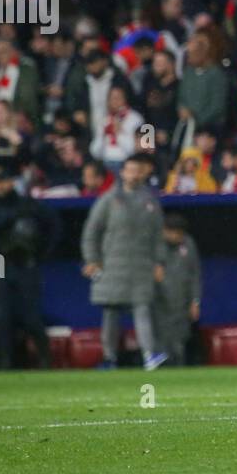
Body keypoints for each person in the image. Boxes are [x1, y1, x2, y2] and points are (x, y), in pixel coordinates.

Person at [81, 153, 168, 370]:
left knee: (142, 309)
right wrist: (92, 259)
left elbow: (158, 236)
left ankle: (149, 355)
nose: (133, 174)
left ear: (143, 173)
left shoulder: (150, 202)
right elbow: (91, 232)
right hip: (112, 265)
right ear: (122, 172)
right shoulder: (108, 200)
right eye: (130, 169)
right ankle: (110, 358)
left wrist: (159, 262)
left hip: (140, 266)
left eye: (138, 170)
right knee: (111, 312)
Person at [0, 166, 59, 369]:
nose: (0, 186)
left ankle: (45, 359)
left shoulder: (29, 205)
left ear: (12, 182)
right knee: (0, 314)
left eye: (4, 181)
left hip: (25, 261)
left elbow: (53, 226)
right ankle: (4, 362)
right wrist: (7, 218)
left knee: (31, 314)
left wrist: (43, 253)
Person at [154, 213, 202, 366]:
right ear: (165, 231)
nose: (180, 237)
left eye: (182, 233)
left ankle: (178, 376)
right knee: (161, 346)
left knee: (179, 346)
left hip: (182, 303)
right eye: (177, 233)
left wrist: (195, 301)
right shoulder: (154, 245)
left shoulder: (188, 243)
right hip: (158, 304)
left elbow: (195, 274)